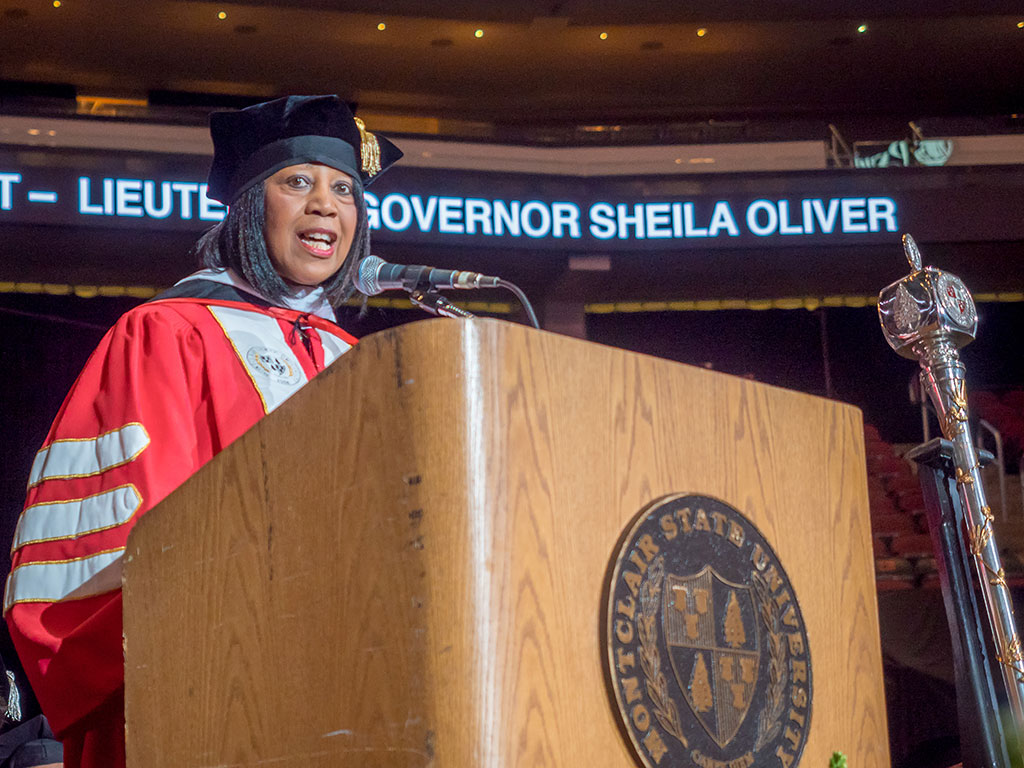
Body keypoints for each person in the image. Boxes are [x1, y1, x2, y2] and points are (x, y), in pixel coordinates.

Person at [3, 95, 402, 768]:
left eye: (344, 190)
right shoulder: (168, 333)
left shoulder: (355, 360)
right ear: (251, 203)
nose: (326, 206)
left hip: (349, 695)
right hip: (207, 695)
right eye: (298, 182)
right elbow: (134, 542)